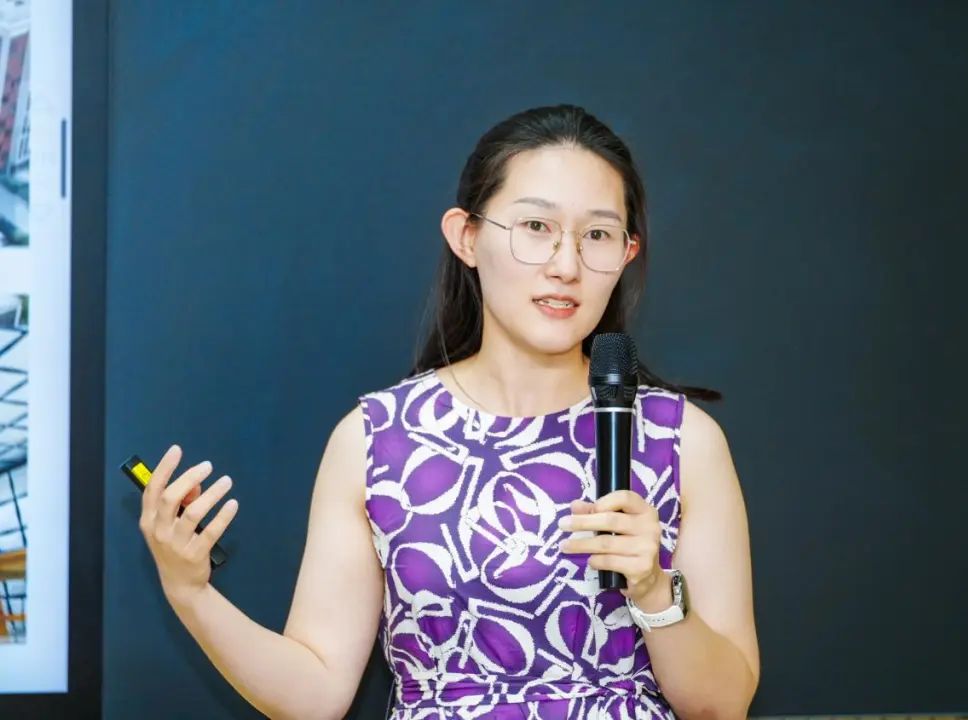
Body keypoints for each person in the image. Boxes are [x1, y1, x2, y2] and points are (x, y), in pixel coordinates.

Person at [139, 105, 760, 719]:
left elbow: (724, 704)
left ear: (625, 254)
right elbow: (314, 696)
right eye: (536, 227)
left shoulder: (680, 440)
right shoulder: (377, 441)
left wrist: (654, 590)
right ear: (467, 236)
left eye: (596, 235)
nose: (566, 266)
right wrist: (189, 591)